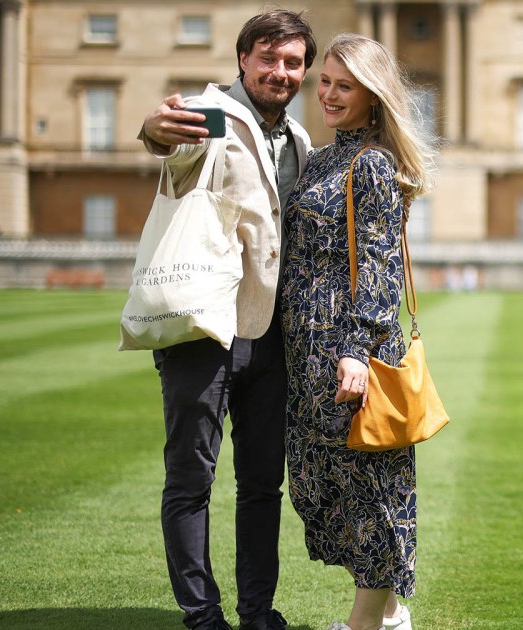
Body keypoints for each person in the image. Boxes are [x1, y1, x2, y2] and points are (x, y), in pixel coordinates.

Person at [137, 10, 316, 630]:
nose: (280, 72)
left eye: (292, 62)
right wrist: (154, 129)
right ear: (243, 59)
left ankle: (257, 611)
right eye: (268, 59)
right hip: (204, 329)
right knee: (191, 477)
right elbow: (172, 138)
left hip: (268, 334)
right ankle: (201, 615)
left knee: (264, 485)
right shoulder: (209, 111)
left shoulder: (297, 139)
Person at [280, 33, 435, 630]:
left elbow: (378, 261)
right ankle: (393, 615)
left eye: (345, 86)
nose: (329, 95)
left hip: (348, 354)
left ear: (373, 96)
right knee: (324, 491)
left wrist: (356, 350)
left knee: (367, 493)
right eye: (325, 81)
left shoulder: (371, 164)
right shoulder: (322, 160)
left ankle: (364, 623)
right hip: (305, 354)